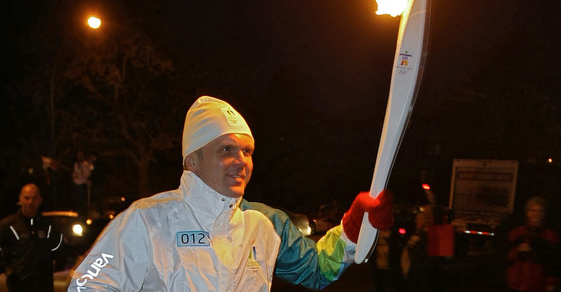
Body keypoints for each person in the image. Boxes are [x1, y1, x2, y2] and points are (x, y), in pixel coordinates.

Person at [68, 95, 393, 291]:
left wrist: (353, 230)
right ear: (192, 160)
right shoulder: (147, 219)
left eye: (247, 151)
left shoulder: (265, 224)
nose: (241, 161)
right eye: (226, 149)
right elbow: (87, 284)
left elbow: (319, 269)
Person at [0, 183, 66, 292]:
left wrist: (58, 264)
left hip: (44, 286)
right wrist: (5, 269)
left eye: (34, 198)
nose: (30, 202)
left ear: (40, 200)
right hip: (19, 286)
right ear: (20, 199)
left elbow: (60, 248)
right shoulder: (8, 225)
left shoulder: (48, 225)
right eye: (26, 198)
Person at [506, 196, 561, 292]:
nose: (536, 214)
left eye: (540, 211)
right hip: (515, 284)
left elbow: (554, 262)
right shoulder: (516, 233)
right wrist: (517, 250)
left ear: (544, 213)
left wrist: (551, 283)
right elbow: (505, 257)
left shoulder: (551, 236)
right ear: (527, 212)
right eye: (533, 210)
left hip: (537, 285)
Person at [400, 204, 442, 292]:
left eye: (429, 214)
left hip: (424, 280)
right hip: (418, 279)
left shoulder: (431, 237)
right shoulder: (415, 237)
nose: (427, 218)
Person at [72, 151, 94, 217]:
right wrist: (75, 175)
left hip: (83, 184)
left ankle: (84, 214)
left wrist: (81, 176)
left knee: (83, 201)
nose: (79, 157)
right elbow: (75, 173)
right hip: (76, 184)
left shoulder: (85, 164)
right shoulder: (76, 164)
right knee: (77, 200)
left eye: (81, 155)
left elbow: (87, 174)